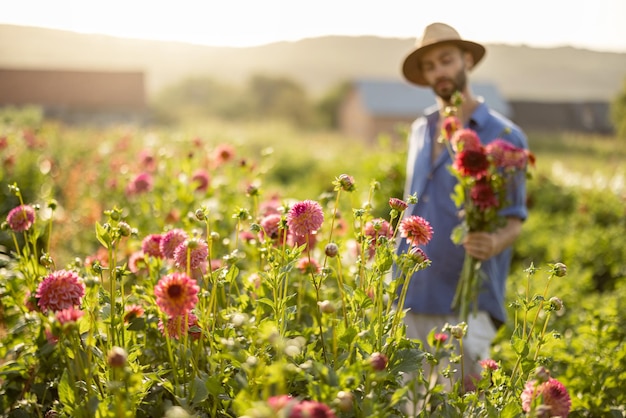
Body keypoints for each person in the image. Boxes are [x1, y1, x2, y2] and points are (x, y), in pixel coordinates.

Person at [395, 22, 529, 394]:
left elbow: (515, 220)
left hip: (465, 303)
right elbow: (412, 207)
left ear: (466, 60)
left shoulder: (503, 136)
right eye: (429, 66)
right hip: (411, 295)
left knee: (463, 404)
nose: (438, 71)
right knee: (410, 406)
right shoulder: (421, 130)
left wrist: (494, 241)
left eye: (446, 60)